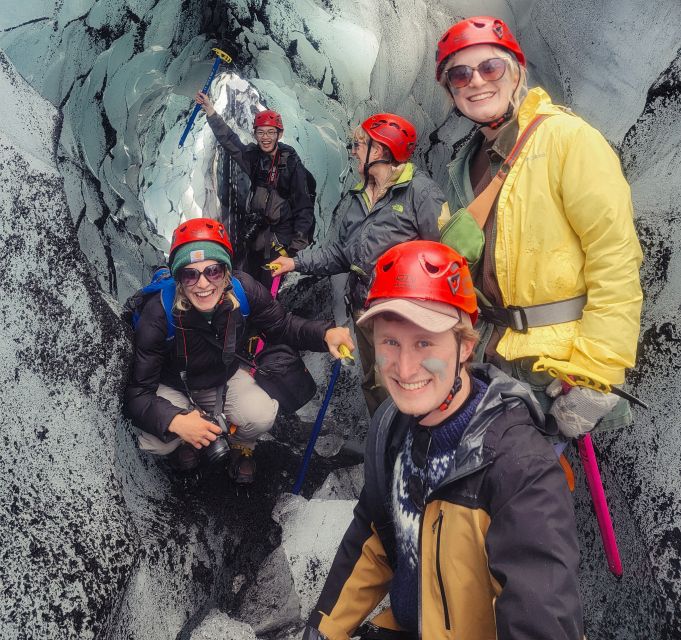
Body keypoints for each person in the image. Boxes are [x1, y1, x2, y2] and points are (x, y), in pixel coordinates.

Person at [303, 241, 583, 640]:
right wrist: (322, 629)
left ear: (465, 346)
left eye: (424, 342)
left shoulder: (519, 466)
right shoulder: (391, 428)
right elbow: (374, 535)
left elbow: (540, 617)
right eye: (390, 342)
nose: (403, 367)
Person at [435, 16, 642, 440]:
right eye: (460, 74)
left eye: (489, 67)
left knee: (525, 499)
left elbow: (615, 256)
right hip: (484, 357)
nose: (476, 81)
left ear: (516, 72)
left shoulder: (568, 140)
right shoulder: (464, 162)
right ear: (451, 91)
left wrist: (596, 373)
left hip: (552, 373)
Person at [124, 217, 353, 484]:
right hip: (174, 386)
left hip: (222, 379)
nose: (203, 283)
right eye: (190, 273)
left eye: (213, 271)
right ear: (179, 279)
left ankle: (241, 446)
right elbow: (138, 392)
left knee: (261, 414)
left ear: (226, 271)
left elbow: (282, 325)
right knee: (157, 441)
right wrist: (176, 421)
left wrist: (324, 334)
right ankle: (186, 438)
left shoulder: (244, 290)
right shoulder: (158, 313)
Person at [270, 113, 451, 416]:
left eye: (358, 144)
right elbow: (341, 254)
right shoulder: (358, 197)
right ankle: (386, 447)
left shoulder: (421, 193)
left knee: (407, 384)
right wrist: (294, 263)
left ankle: (414, 448)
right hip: (364, 308)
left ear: (378, 151)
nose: (353, 150)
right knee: (375, 383)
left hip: (403, 317)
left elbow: (444, 257)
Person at [195, 92, 315, 282]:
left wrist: (293, 250)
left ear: (279, 134)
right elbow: (231, 143)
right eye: (260, 132)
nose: (265, 137)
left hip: (279, 242)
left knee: (266, 293)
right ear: (255, 133)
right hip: (256, 236)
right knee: (248, 284)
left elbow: (304, 207)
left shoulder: (291, 165)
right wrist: (211, 112)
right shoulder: (255, 158)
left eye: (270, 132)